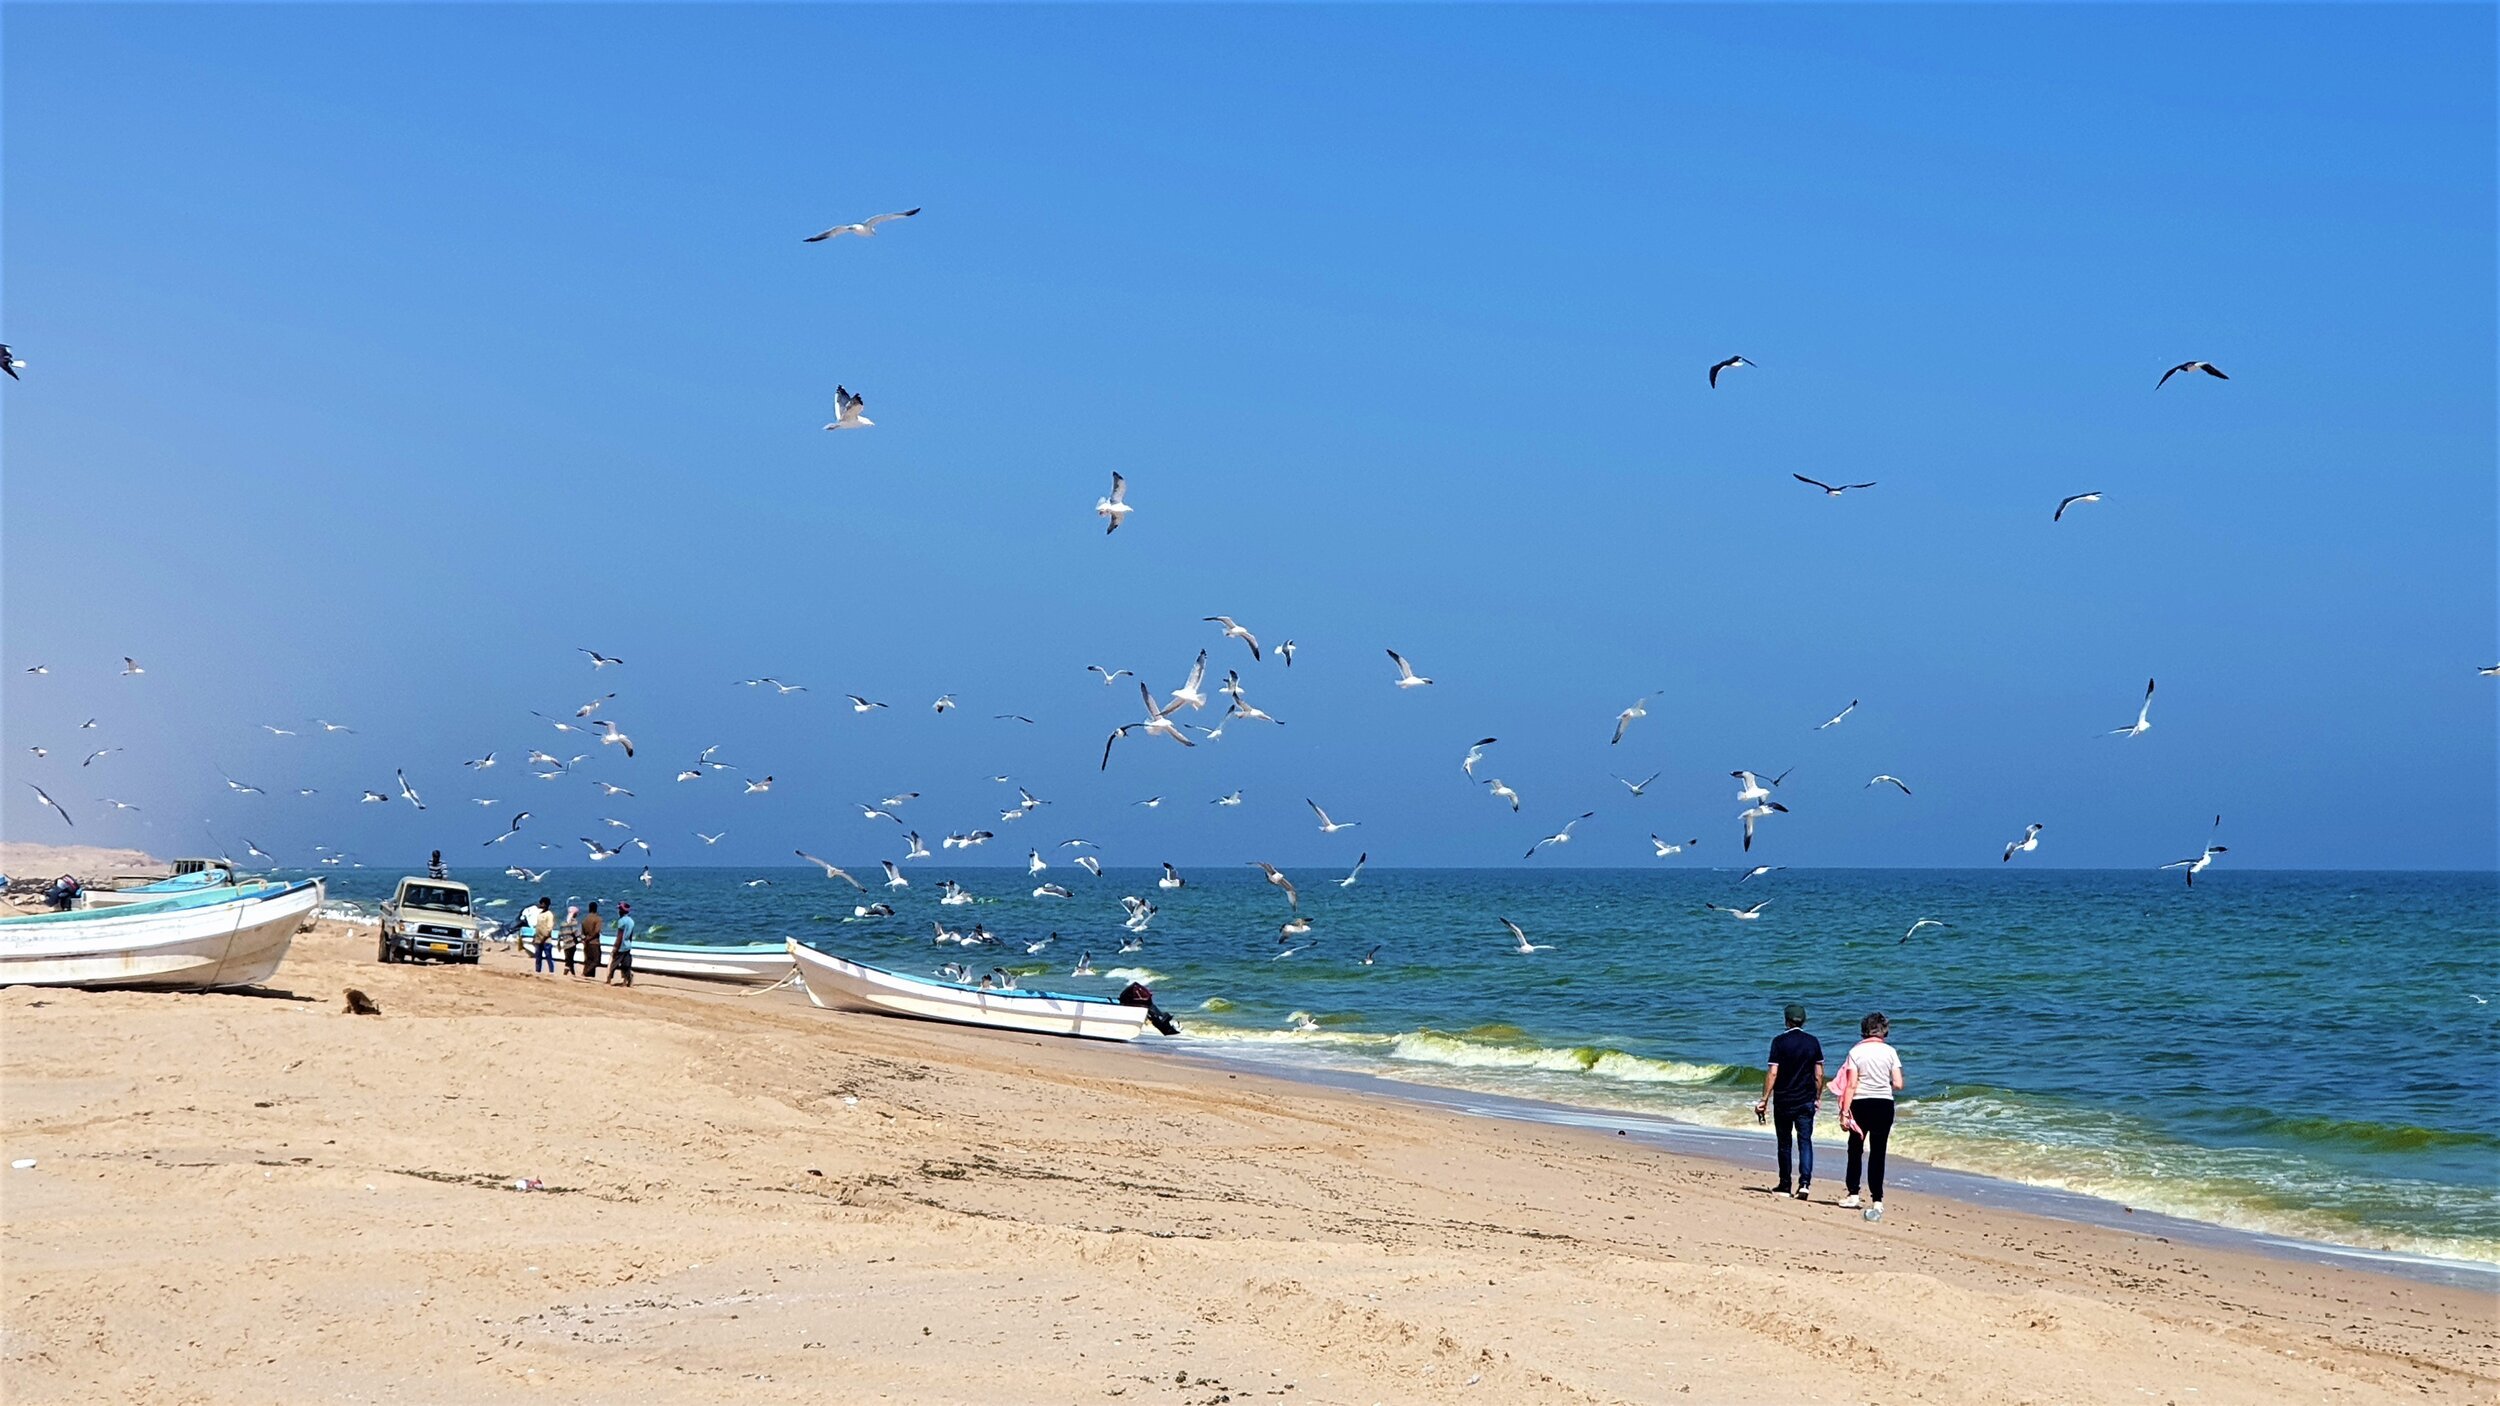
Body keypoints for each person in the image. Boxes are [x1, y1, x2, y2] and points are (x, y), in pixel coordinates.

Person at [1753, 1002, 1825, 1201]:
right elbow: (1819, 1074)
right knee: (1805, 1142)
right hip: (1805, 1100)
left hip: (1784, 1099)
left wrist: (1764, 1099)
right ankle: (1804, 1184)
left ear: (1786, 1020)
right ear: (1804, 1021)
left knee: (1784, 1143)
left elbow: (1773, 1072)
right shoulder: (1813, 1042)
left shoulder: (1778, 1042)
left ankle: (1785, 1184)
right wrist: (1817, 1097)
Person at [1839, 1011, 1906, 1220]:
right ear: (1884, 1030)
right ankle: (1877, 1199)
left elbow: (1851, 1085)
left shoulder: (1855, 1052)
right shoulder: (1890, 1052)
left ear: (1864, 1030)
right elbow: (1898, 1084)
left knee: (1855, 1149)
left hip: (1860, 1103)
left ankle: (1853, 1194)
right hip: (1883, 1104)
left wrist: (1844, 1112)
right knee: (1878, 1152)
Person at [605, 902, 636, 987]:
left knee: (613, 964)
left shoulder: (621, 921)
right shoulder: (631, 921)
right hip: (628, 946)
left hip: (621, 947)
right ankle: (626, 981)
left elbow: (620, 936)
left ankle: (608, 980)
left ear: (621, 911)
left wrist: (615, 947)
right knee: (626, 965)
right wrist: (629, 944)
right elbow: (630, 936)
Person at [530, 896, 557, 974]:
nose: (540, 905)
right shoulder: (540, 914)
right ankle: (538, 971)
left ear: (546, 904)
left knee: (548, 957)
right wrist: (535, 937)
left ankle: (551, 972)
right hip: (538, 939)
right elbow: (538, 927)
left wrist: (544, 938)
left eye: (542, 903)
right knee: (538, 957)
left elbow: (549, 928)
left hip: (546, 940)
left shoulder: (549, 915)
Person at [579, 902, 604, 981]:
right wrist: (589, 938)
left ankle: (588, 976)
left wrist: (585, 939)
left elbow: (582, 931)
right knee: (596, 960)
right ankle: (585, 973)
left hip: (586, 942)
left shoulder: (585, 919)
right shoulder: (598, 919)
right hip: (594, 942)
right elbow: (597, 931)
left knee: (588, 960)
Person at [560, 904, 581, 976]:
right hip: (572, 943)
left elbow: (560, 934)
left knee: (568, 958)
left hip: (565, 943)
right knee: (570, 959)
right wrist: (583, 938)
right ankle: (566, 972)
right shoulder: (574, 922)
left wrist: (559, 942)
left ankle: (572, 973)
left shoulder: (564, 922)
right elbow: (576, 932)